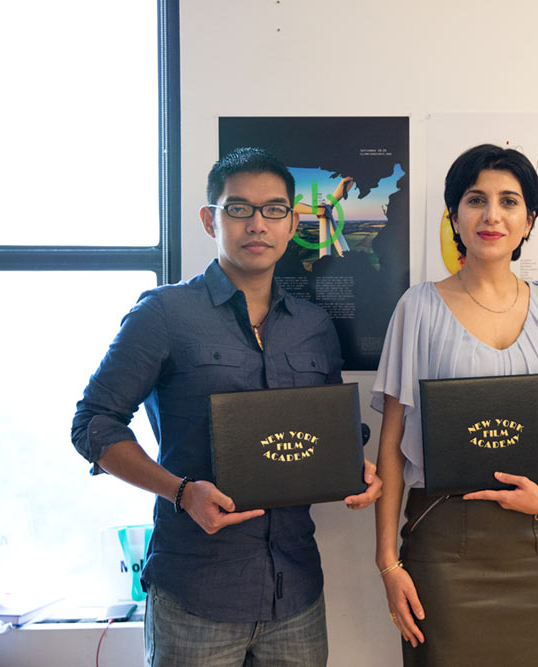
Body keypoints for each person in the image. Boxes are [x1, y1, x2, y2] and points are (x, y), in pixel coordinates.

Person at [72, 147, 382, 666]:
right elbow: (93, 423)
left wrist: (358, 468)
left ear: (292, 223)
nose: (256, 224)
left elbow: (328, 431)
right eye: (238, 208)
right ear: (209, 219)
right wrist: (182, 492)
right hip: (196, 593)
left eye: (273, 209)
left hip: (296, 592)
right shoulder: (164, 315)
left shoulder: (313, 325)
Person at [372, 144, 538, 666]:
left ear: (529, 220)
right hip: (442, 542)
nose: (492, 215)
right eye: (476, 199)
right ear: (454, 215)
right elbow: (391, 447)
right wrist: (386, 562)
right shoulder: (418, 307)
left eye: (509, 201)